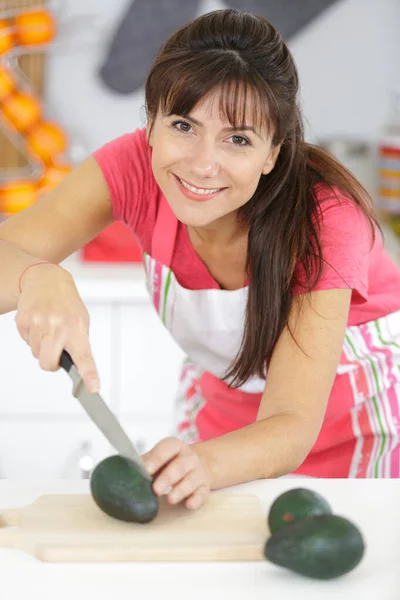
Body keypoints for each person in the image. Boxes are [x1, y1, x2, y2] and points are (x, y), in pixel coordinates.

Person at [1, 9, 400, 508]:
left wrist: (206, 463)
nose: (202, 164)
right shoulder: (133, 169)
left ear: (273, 153)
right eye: (184, 125)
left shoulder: (325, 221)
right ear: (151, 124)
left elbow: (292, 423)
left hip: (351, 429)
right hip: (224, 419)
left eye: (238, 139)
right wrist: (36, 276)